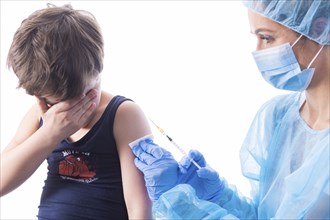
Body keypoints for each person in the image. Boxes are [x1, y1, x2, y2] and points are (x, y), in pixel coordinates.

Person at [131, 0, 330, 219]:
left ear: (319, 29)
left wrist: (180, 204)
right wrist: (218, 198)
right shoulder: (278, 116)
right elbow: (263, 215)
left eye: (267, 37)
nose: (258, 51)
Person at [0, 4, 152, 219]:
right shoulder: (40, 116)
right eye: (56, 104)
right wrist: (49, 134)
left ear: (97, 70)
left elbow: (140, 210)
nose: (69, 113)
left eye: (81, 97)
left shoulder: (123, 114)